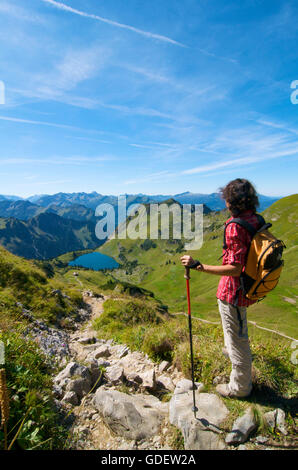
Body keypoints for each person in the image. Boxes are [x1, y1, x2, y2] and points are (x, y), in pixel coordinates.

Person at [181, 178, 260, 398]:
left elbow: (235, 268)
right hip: (246, 287)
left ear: (231, 201)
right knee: (235, 331)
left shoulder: (235, 226)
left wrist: (199, 266)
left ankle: (240, 388)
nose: (224, 202)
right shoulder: (254, 219)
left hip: (233, 291)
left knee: (238, 339)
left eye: (226, 198)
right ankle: (233, 351)